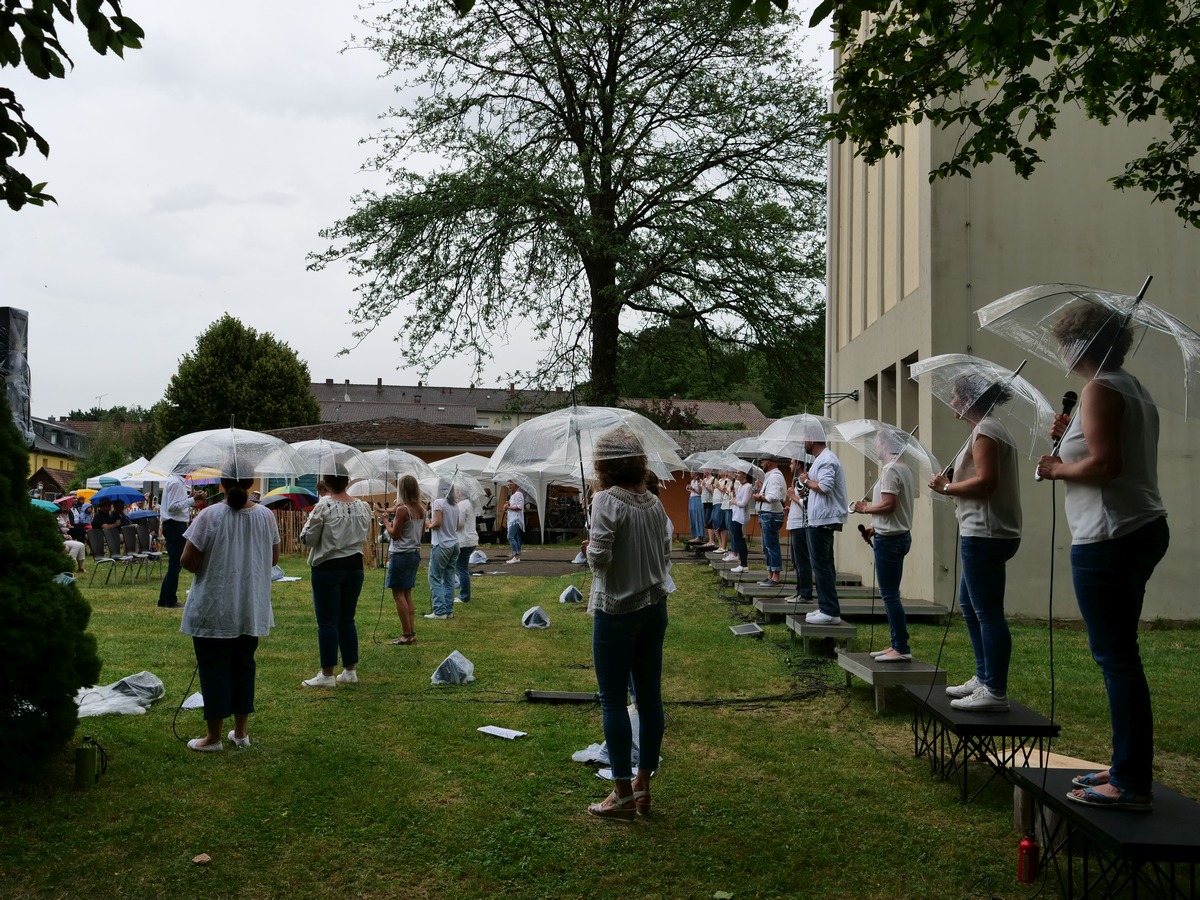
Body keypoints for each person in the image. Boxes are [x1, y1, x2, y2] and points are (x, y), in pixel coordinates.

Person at [1036, 305, 1169, 812]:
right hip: (1141, 527)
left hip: (1110, 537)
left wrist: (1054, 469)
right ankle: (1124, 766)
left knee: (1117, 659)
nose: (1061, 352)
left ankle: (1130, 781)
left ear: (1082, 345)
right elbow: (1105, 451)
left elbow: (1106, 465)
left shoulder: (1100, 388)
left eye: (1065, 342)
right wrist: (1072, 439)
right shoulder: (1128, 386)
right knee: (1122, 656)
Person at [582, 427, 670, 821]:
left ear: (604, 464)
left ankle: (620, 792)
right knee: (649, 697)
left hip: (617, 609)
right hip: (654, 606)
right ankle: (643, 785)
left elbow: (600, 560)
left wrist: (589, 549)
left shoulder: (605, 500)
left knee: (615, 700)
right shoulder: (654, 502)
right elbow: (664, 552)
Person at [929, 373, 1022, 712]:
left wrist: (946, 488)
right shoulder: (984, 429)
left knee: (987, 612)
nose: (951, 401)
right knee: (969, 605)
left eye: (954, 395)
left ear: (969, 397)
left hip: (985, 533)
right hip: (986, 531)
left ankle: (995, 691)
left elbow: (986, 483)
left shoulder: (986, 430)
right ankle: (984, 677)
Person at [179, 477, 280, 751]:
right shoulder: (266, 516)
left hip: (216, 606)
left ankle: (213, 737)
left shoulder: (209, 515)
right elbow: (273, 559)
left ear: (222, 482)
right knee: (244, 667)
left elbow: (187, 561)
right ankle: (241, 732)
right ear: (249, 482)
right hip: (250, 606)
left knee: (214, 669)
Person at [298, 474, 373, 688]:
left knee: (328, 621)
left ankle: (327, 674)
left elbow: (309, 538)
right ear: (347, 482)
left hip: (328, 566)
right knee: (347, 618)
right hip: (355, 566)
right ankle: (350, 671)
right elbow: (365, 533)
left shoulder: (324, 506)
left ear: (327, 484)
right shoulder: (363, 507)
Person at [851, 430, 917, 661]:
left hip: (890, 540)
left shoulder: (890, 470)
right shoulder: (904, 468)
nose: (875, 447)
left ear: (887, 444)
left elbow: (889, 504)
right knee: (891, 594)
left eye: (878, 443)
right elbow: (893, 508)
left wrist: (865, 509)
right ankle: (896, 645)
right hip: (895, 534)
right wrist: (874, 526)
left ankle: (901, 647)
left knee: (889, 596)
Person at [802, 436, 849, 625]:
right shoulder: (821, 460)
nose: (803, 443)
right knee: (823, 564)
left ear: (813, 439)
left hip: (824, 519)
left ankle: (830, 611)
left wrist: (806, 481)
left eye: (805, 439)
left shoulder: (827, 459)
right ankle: (825, 606)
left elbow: (825, 487)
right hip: (820, 518)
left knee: (822, 565)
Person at [385, 475, 425, 644]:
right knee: (407, 593)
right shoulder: (421, 509)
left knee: (398, 594)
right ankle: (411, 631)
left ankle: (406, 633)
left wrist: (386, 522)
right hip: (414, 553)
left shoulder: (403, 510)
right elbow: (422, 534)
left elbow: (395, 534)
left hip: (401, 554)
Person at [160, 473, 204, 609]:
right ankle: (170, 599)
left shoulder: (174, 482)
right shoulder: (177, 483)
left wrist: (190, 498)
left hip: (173, 524)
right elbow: (173, 507)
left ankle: (164, 598)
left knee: (174, 563)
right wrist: (192, 500)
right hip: (174, 524)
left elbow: (175, 504)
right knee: (176, 563)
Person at [426, 481, 459, 619]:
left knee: (434, 577)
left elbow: (438, 523)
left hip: (441, 544)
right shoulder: (455, 505)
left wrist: (429, 524)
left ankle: (439, 611)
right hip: (454, 543)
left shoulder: (439, 502)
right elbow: (457, 525)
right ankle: (449, 610)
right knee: (449, 578)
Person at [754, 457, 788, 586]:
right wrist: (761, 489)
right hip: (766, 514)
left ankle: (776, 576)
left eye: (762, 461)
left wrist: (760, 497)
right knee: (766, 546)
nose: (761, 464)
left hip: (771, 514)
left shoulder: (775, 476)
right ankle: (770, 574)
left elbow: (773, 497)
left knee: (771, 545)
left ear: (769, 462)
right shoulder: (770, 475)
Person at [785, 457, 814, 602]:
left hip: (801, 525)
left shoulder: (805, 482)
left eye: (792, 463)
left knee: (802, 561)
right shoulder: (797, 482)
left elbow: (807, 504)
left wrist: (792, 496)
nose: (790, 466)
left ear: (799, 465)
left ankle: (806, 593)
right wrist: (790, 508)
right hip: (794, 523)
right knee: (796, 561)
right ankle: (799, 591)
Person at [455, 489, 479, 604]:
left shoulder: (462, 505)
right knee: (461, 567)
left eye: (457, 491)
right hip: (470, 539)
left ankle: (464, 595)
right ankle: (463, 594)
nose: (455, 493)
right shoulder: (468, 504)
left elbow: (459, 524)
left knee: (462, 568)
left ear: (461, 493)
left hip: (464, 540)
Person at [729, 469, 754, 573]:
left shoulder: (748, 487)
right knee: (737, 538)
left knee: (740, 540)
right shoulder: (740, 486)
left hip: (741, 517)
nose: (737, 474)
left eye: (739, 473)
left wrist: (735, 502)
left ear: (745, 475)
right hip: (736, 515)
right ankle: (742, 563)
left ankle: (744, 564)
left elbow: (743, 503)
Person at [504, 480, 525, 563]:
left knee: (510, 537)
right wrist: (509, 504)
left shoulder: (518, 494)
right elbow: (514, 506)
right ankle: (517, 555)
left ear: (516, 485)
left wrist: (508, 507)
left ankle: (516, 556)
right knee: (516, 537)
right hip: (513, 519)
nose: (509, 486)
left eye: (510, 485)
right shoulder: (513, 495)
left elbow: (519, 507)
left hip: (515, 519)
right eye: (508, 485)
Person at [686, 471, 705, 545]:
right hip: (692, 499)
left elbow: (700, 492)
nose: (691, 473)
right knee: (692, 516)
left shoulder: (700, 481)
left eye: (693, 472)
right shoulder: (692, 481)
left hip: (697, 499)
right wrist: (689, 488)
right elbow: (691, 491)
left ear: (696, 473)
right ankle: (694, 535)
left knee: (698, 516)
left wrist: (693, 489)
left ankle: (699, 535)